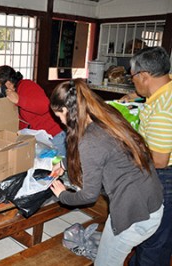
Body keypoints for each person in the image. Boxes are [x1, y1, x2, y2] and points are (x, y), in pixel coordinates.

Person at [49, 78, 164, 266]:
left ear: (70, 111)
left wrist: (63, 195)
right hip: (152, 202)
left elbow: (88, 196)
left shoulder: (90, 140)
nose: (61, 122)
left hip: (134, 214)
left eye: (59, 115)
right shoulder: (107, 116)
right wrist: (63, 163)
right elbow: (105, 153)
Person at [122, 46, 172, 266]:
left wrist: (128, 150)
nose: (132, 82)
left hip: (164, 179)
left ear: (144, 75)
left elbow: (160, 160)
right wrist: (136, 96)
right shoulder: (165, 92)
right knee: (153, 237)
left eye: (133, 78)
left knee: (153, 242)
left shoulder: (162, 110)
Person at [0, 65, 66, 157]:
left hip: (53, 136)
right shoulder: (11, 96)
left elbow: (45, 106)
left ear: (8, 84)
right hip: (39, 139)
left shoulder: (26, 85)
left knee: (58, 168)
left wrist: (19, 100)